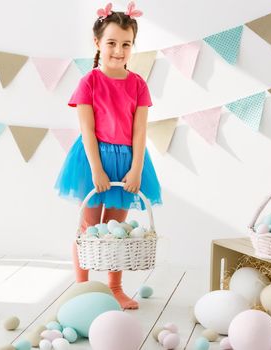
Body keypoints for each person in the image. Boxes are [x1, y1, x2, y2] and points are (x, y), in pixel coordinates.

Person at [55, 2, 162, 309]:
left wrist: (137, 169)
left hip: (127, 161)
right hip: (92, 159)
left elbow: (140, 131)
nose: (118, 50)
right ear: (98, 43)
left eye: (126, 44)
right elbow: (87, 130)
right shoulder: (89, 81)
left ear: (133, 46)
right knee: (89, 228)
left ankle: (115, 287)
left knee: (117, 231)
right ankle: (83, 287)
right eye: (112, 43)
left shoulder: (138, 84)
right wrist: (97, 170)